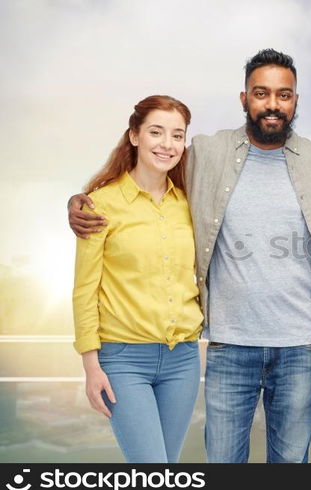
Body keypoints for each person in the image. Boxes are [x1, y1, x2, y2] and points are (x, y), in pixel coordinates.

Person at [68, 49, 311, 463]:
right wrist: (83, 197)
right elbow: (150, 167)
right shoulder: (205, 154)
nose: (272, 104)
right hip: (229, 346)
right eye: (261, 93)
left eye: (283, 95)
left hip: (300, 348)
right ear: (244, 98)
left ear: (295, 102)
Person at [72, 95, 202, 463]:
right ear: (134, 136)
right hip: (123, 361)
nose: (167, 144)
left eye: (178, 136)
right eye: (156, 132)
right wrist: (90, 366)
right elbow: (84, 290)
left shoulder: (189, 204)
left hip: (184, 360)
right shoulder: (100, 205)